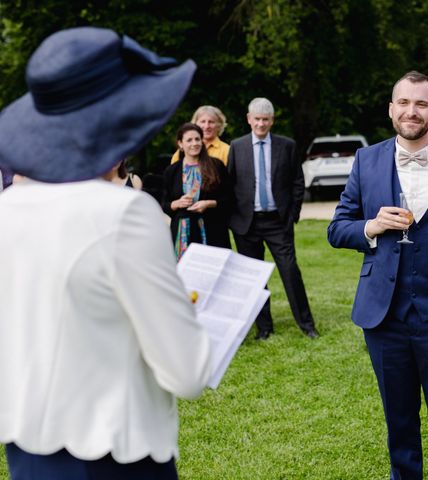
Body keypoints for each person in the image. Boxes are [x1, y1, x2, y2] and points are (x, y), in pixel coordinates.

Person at [0, 27, 214, 479]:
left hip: (27, 450)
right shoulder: (124, 214)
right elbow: (186, 373)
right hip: (113, 454)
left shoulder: (8, 208)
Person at [328, 71, 428, 480]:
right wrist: (372, 227)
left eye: (420, 104)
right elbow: (336, 227)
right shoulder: (366, 160)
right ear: (391, 109)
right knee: (400, 426)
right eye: (403, 102)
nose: (411, 111)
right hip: (385, 318)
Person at [227, 97, 318, 340]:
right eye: (257, 119)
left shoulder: (286, 146)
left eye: (265, 120)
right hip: (247, 223)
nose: (261, 124)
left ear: (272, 121)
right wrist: (233, 219)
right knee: (255, 277)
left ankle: (307, 325)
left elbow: (298, 182)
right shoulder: (237, 146)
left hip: (278, 222)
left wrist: (292, 215)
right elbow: (230, 183)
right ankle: (264, 328)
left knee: (290, 271)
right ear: (249, 119)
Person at [163, 122, 232, 258]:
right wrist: (177, 203)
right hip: (182, 234)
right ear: (180, 144)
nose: (194, 143)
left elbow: (230, 199)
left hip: (212, 230)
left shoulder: (216, 166)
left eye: (197, 139)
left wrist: (209, 204)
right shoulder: (172, 170)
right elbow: (163, 204)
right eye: (189, 140)